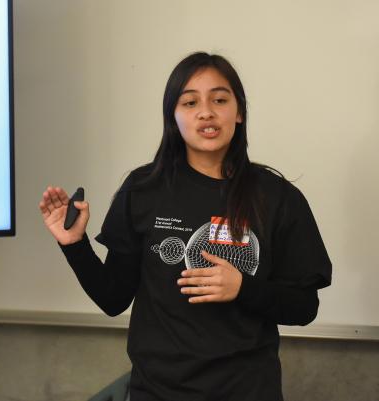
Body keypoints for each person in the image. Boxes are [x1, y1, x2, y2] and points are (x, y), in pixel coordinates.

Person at [38, 52, 332, 401]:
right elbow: (113, 298)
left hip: (248, 391)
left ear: (238, 113)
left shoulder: (278, 198)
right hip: (158, 392)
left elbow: (304, 308)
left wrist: (243, 288)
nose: (206, 111)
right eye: (190, 102)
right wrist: (74, 244)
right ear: (173, 117)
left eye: (219, 99)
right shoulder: (143, 189)